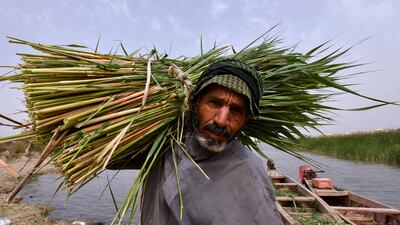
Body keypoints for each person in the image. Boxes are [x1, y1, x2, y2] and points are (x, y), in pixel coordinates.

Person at [140, 59, 283, 225]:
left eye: (236, 110)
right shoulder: (165, 143)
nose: (222, 121)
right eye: (215, 103)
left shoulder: (249, 176)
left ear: (245, 120)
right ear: (196, 103)